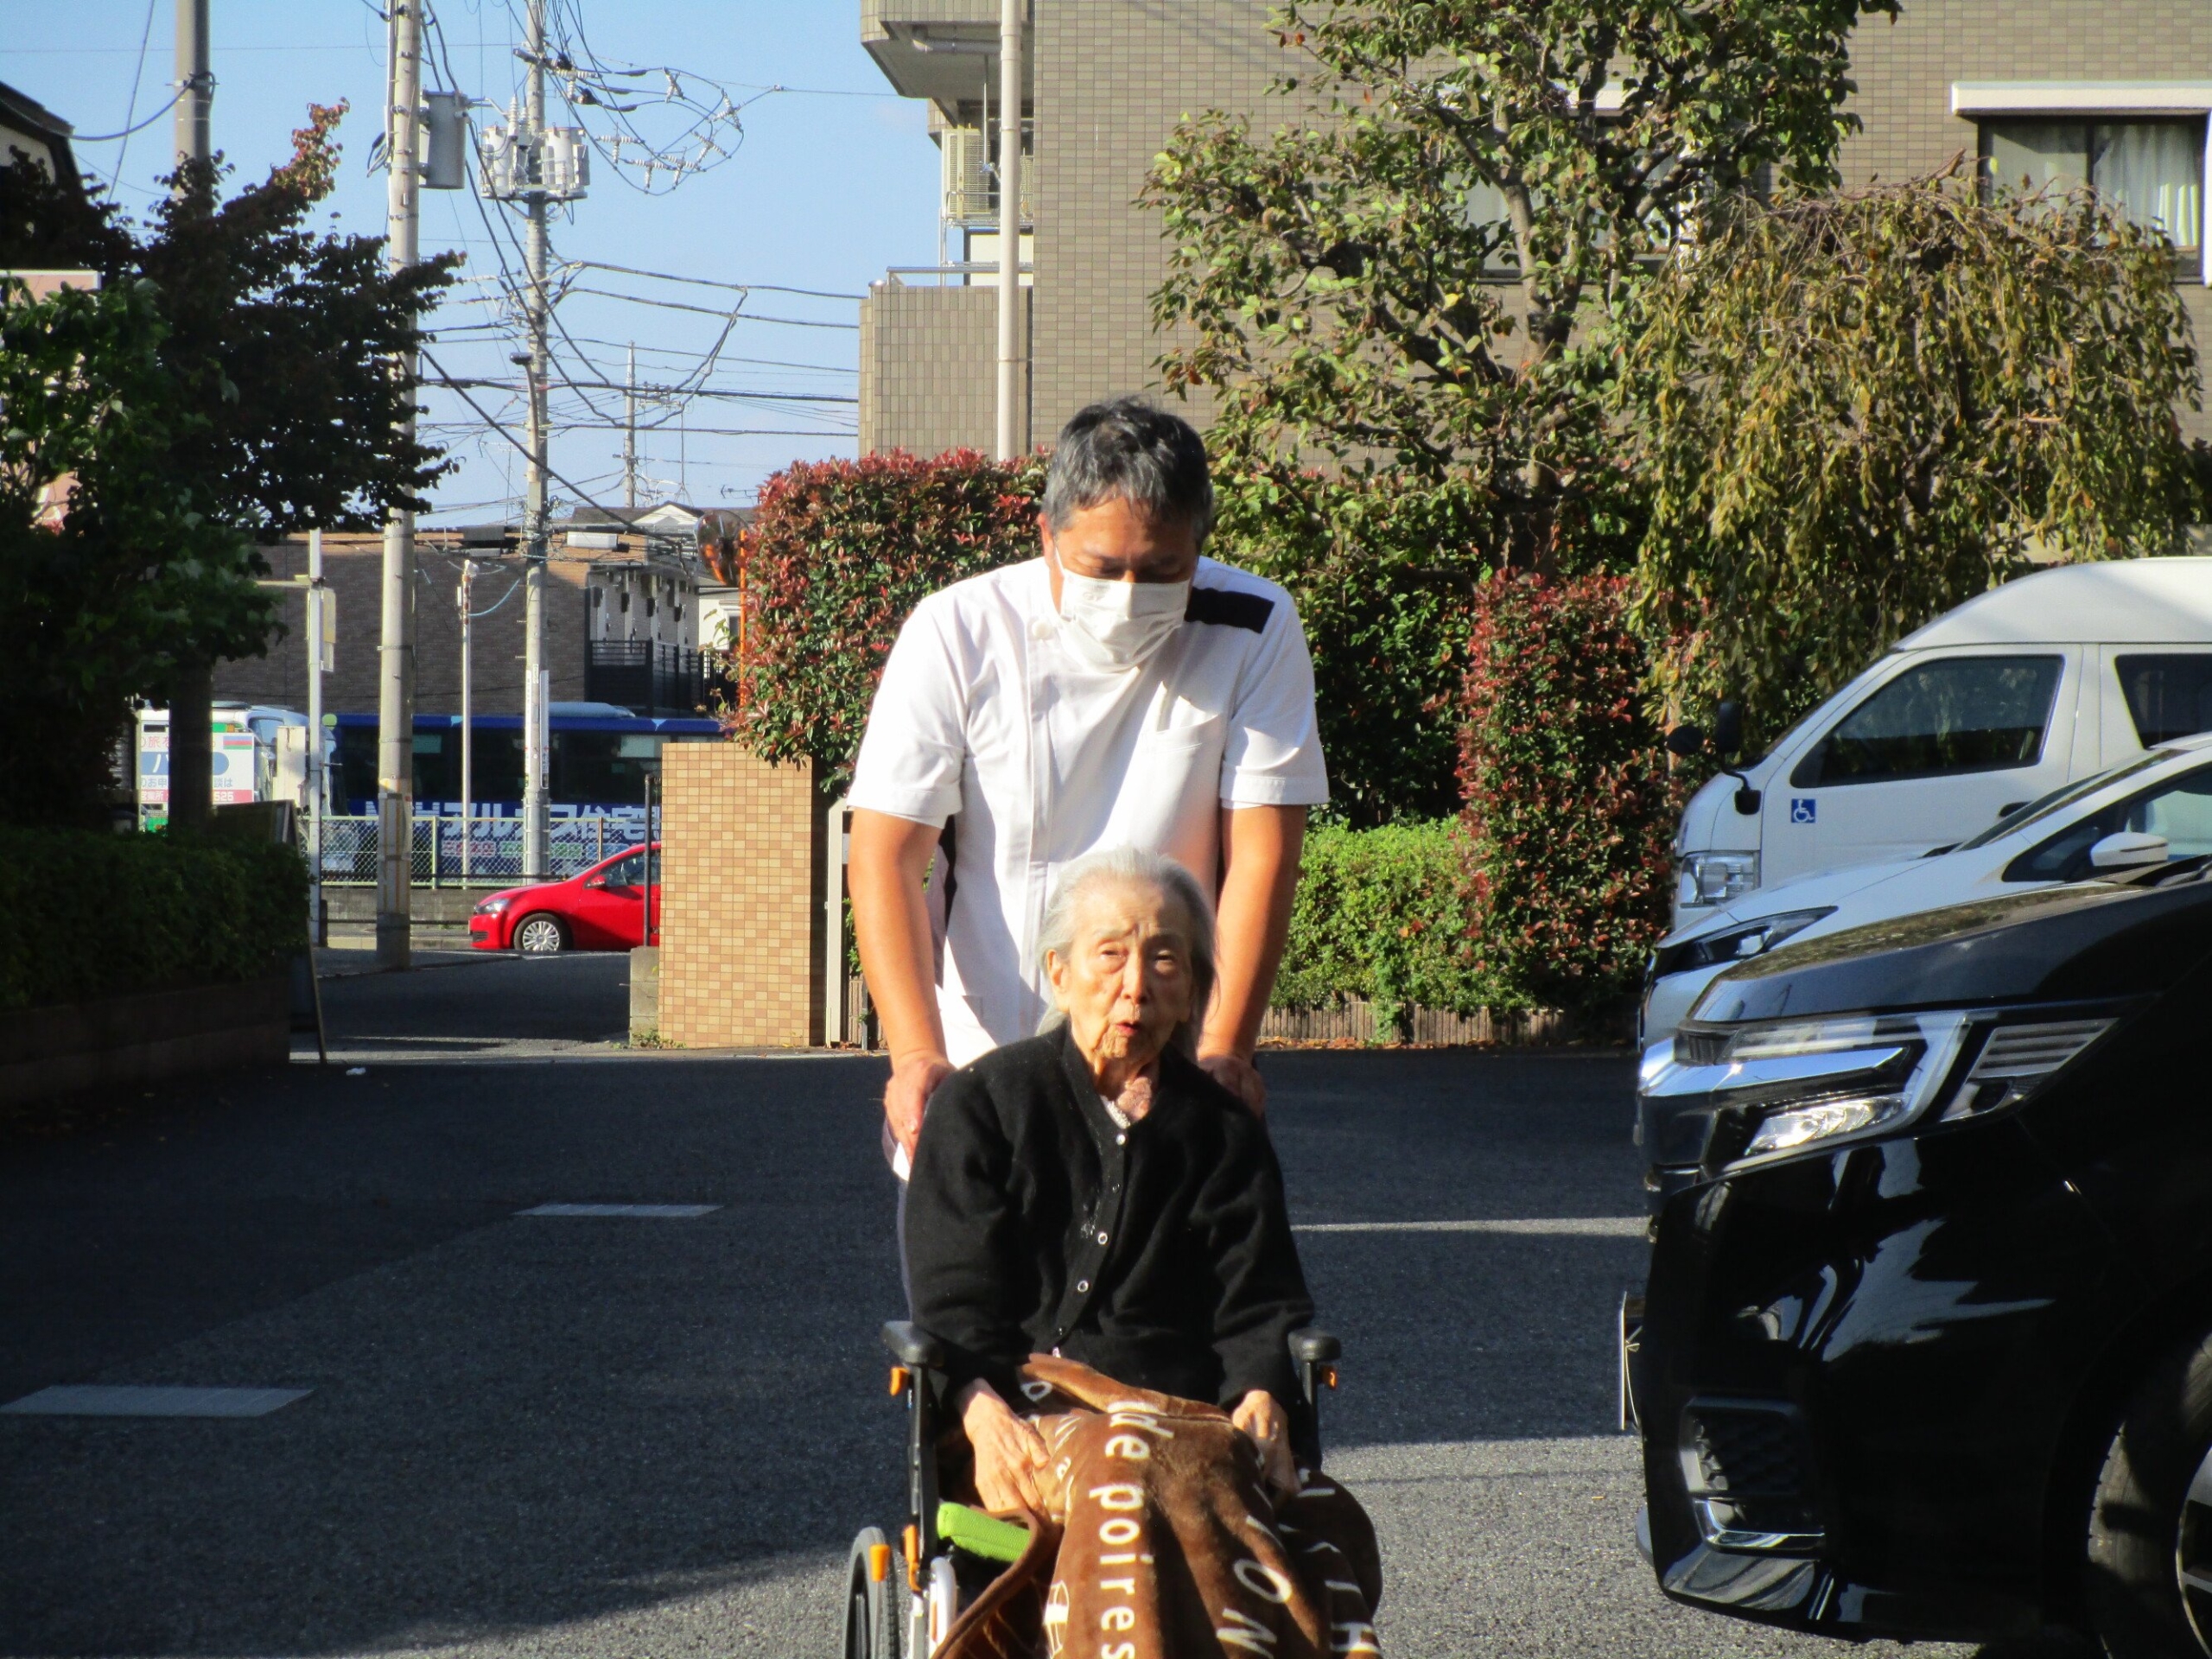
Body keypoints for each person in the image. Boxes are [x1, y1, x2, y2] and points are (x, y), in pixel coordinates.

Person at [904, 849, 1381, 1657]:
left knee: (1232, 1484)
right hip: (1021, 1411)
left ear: (1191, 987)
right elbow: (950, 1304)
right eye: (1111, 953)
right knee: (1130, 1469)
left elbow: (1258, 1297)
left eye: (1166, 958)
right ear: (1058, 972)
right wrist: (978, 1415)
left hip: (1190, 1420)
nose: (1137, 984)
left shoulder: (1221, 1132)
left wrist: (1264, 1388)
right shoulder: (984, 1106)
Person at [848, 397, 1329, 1178]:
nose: (1132, 591)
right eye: (1104, 569)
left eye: (1165, 570)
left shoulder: (1254, 623)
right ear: (1047, 537)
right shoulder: (960, 630)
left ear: (1200, 549)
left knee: (1166, 1297)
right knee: (980, 1296)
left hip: (1170, 1069)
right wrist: (914, 1055)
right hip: (984, 1060)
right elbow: (886, 856)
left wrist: (1225, 1052)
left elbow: (1262, 858)